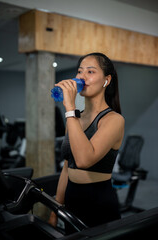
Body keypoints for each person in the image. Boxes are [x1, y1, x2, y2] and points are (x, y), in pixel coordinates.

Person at [49, 52, 125, 233]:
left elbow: (84, 160)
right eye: (79, 71)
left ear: (106, 80)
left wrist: (70, 108)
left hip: (98, 201)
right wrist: (55, 209)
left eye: (90, 72)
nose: (82, 77)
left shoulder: (113, 120)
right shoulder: (75, 119)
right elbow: (68, 167)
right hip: (72, 198)